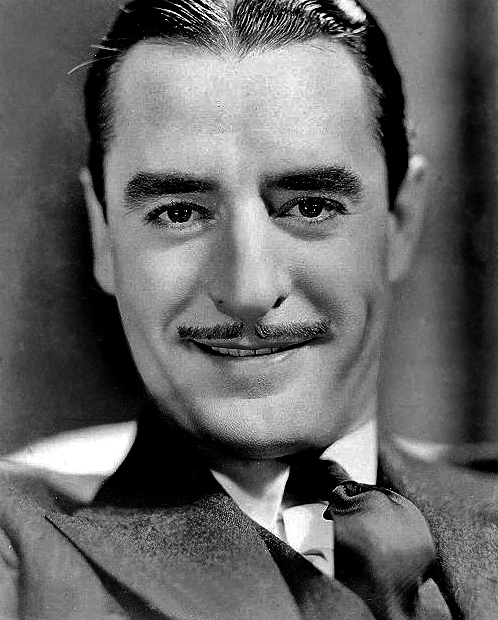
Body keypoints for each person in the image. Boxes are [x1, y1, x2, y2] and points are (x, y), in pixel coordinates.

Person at [0, 0, 497, 618]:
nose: (249, 289)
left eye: (310, 206)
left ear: (401, 220)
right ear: (104, 234)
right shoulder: (20, 556)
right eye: (179, 212)